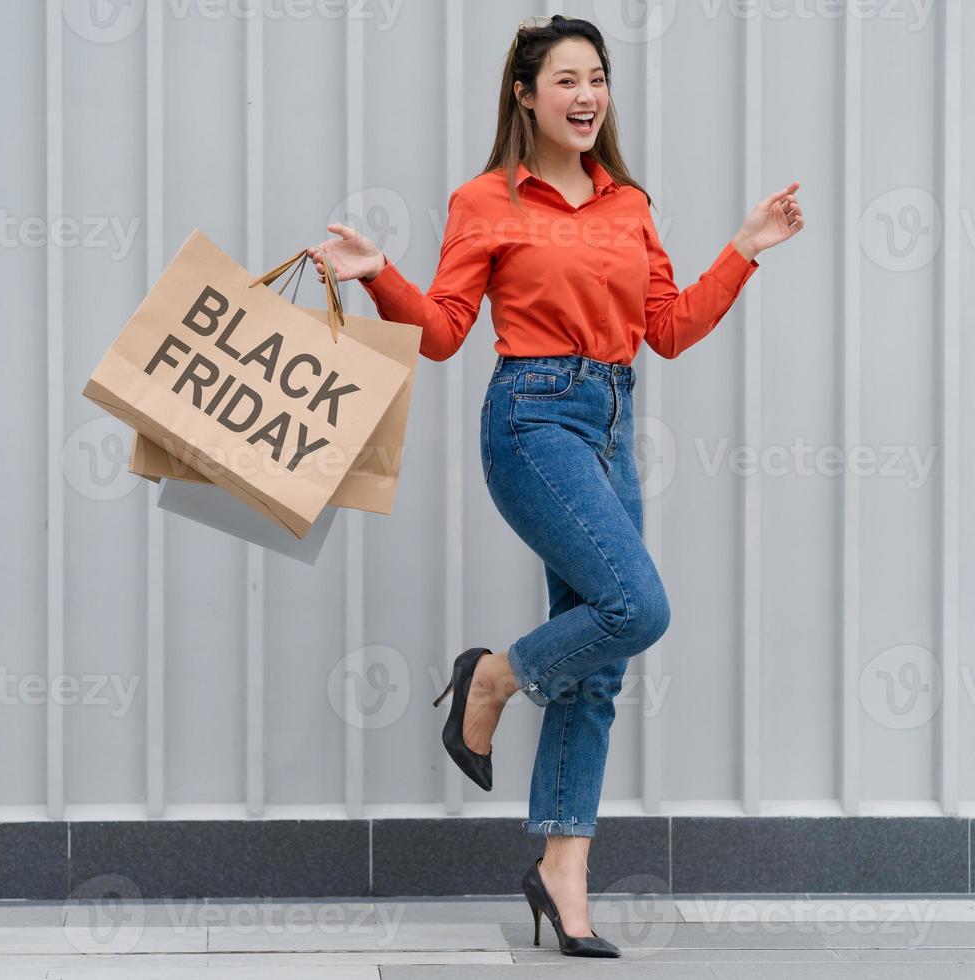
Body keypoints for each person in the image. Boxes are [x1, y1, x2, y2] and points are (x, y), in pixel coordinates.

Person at [306, 13, 803, 959]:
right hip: (532, 420)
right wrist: (379, 277)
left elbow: (667, 329)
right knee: (636, 605)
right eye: (566, 79)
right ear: (525, 94)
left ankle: (562, 874)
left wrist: (744, 247)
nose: (586, 96)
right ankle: (490, 678)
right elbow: (448, 331)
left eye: (599, 79)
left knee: (601, 665)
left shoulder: (629, 204)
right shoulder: (485, 200)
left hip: (611, 421)